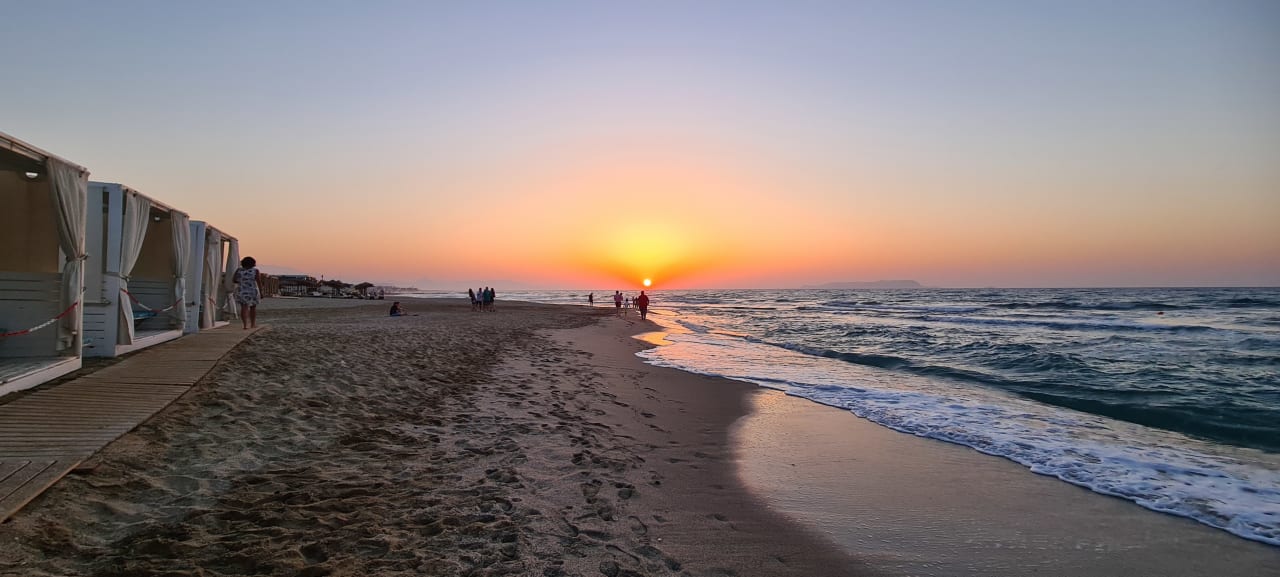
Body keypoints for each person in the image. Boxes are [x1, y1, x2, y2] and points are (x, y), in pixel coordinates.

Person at [233, 256, 263, 329]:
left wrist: (242, 281)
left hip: (242, 290)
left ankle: (245, 325)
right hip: (252, 291)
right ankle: (252, 324)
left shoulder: (239, 270)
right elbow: (259, 282)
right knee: (253, 307)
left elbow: (234, 280)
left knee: (244, 307)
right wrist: (261, 292)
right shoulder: (255, 271)